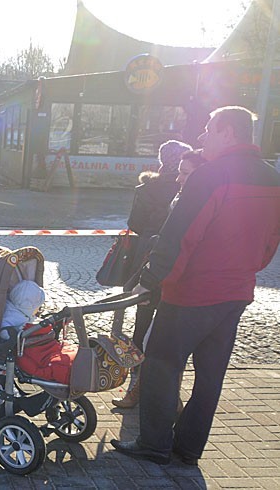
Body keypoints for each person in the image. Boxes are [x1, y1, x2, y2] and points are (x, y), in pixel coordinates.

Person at [113, 106, 280, 466]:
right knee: (210, 376)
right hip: (236, 293)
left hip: (190, 293)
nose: (202, 136)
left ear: (229, 133)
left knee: (160, 363)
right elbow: (271, 241)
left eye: (209, 129)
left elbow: (179, 238)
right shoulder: (272, 178)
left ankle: (154, 443)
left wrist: (151, 282)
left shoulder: (210, 177)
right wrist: (246, 269)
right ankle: (189, 448)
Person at [112, 140, 190, 409]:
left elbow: (134, 223)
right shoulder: (192, 188)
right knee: (170, 320)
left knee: (142, 317)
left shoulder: (149, 187)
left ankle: (135, 382)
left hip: (148, 255)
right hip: (180, 262)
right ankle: (165, 390)